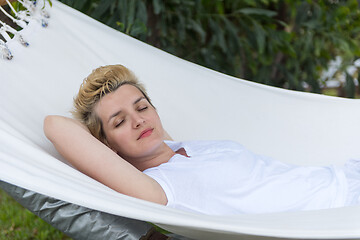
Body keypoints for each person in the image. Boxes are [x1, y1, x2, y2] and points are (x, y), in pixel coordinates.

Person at [44, 64, 360, 216]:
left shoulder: (180, 147)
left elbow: (149, 127)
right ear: (108, 145)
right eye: (120, 121)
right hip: (340, 211)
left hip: (344, 175)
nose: (138, 119)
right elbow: (55, 126)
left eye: (142, 107)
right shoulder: (158, 190)